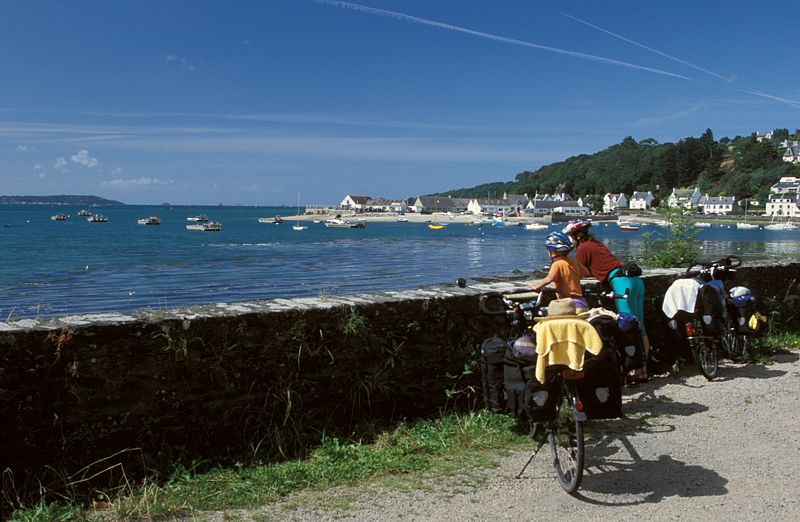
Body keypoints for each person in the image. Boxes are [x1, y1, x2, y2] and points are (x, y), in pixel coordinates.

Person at [562, 220, 650, 381]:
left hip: (621, 283)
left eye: (571, 237)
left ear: (578, 236)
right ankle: (644, 369)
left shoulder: (583, 248)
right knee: (640, 326)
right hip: (634, 280)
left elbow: (580, 273)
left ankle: (636, 371)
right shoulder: (596, 244)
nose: (571, 241)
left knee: (628, 327)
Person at [529, 231, 590, 312]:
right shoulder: (574, 262)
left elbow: (549, 278)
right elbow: (586, 273)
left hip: (569, 305)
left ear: (552, 252)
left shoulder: (557, 264)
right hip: (582, 303)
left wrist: (537, 286)